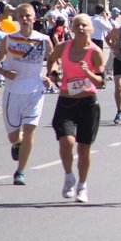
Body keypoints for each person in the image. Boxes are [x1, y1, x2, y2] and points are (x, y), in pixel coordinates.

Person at [0, 3, 54, 185]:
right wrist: (4, 73)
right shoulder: (9, 39)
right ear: (17, 19)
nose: (25, 19)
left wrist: (48, 76)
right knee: (14, 136)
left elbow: (53, 61)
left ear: (35, 18)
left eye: (28, 16)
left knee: (29, 131)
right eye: (22, 16)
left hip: (35, 91)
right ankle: (17, 144)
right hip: (13, 91)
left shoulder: (43, 40)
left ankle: (20, 171)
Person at [46, 14, 104, 203]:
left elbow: (101, 80)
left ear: (91, 29)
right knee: (67, 142)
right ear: (71, 28)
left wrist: (89, 73)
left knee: (84, 148)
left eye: (84, 25)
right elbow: (52, 59)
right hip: (66, 101)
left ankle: (82, 186)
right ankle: (69, 176)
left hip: (88, 102)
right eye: (77, 25)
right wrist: (53, 72)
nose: (80, 28)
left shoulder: (95, 51)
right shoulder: (64, 47)